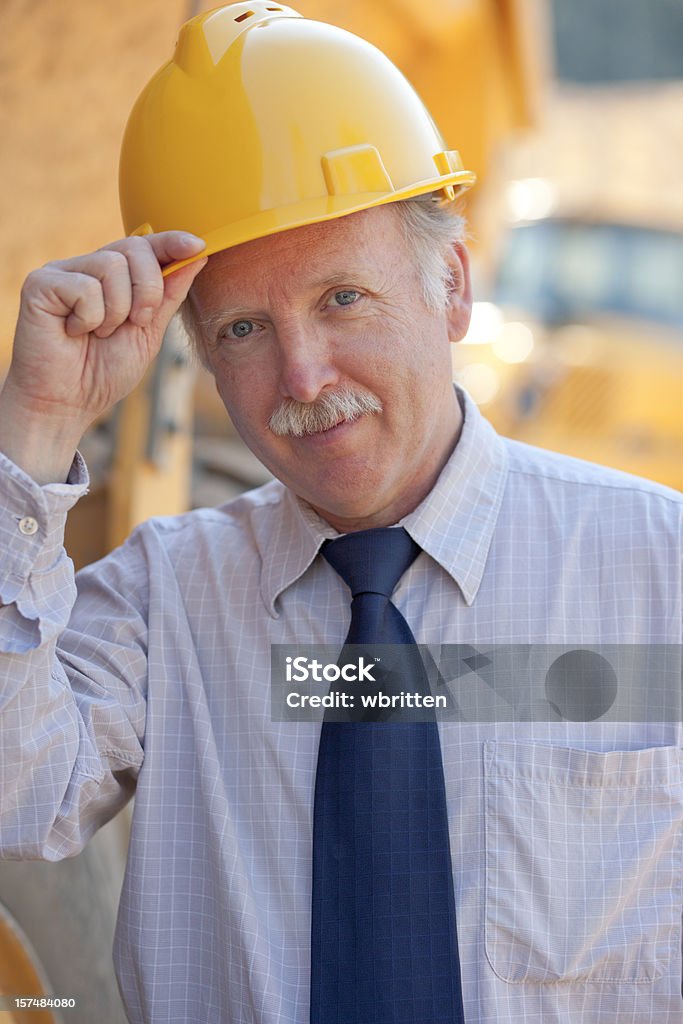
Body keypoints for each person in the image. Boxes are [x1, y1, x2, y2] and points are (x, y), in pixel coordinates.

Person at [1, 4, 682, 1023]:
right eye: (241, 328)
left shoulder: (655, 570)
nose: (303, 376)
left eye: (342, 299)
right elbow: (17, 797)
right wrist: (35, 430)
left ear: (450, 285)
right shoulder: (163, 602)